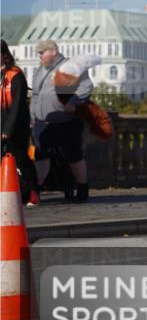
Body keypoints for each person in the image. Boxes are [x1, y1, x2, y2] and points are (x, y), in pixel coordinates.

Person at [30, 41, 93, 203]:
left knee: (73, 156)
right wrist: (32, 115)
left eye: (42, 52)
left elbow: (86, 86)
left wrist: (73, 101)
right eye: (39, 53)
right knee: (41, 155)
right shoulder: (39, 70)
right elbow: (35, 95)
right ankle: (35, 190)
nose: (40, 56)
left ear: (54, 52)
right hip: (42, 122)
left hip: (65, 120)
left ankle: (82, 187)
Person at [1, 40, 40, 206]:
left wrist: (8, 129)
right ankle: (14, 194)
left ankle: (33, 193)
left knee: (21, 159)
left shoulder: (15, 76)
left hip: (15, 126)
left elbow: (17, 105)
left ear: (3, 56)